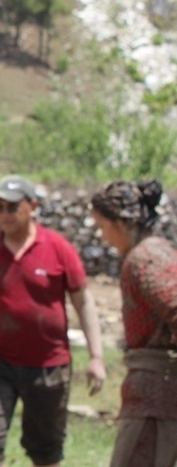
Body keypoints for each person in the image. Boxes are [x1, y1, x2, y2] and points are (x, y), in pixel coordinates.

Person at [0, 175, 106, 467]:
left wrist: (97, 356)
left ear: (32, 206)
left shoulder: (58, 248)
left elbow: (83, 301)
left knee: (46, 448)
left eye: (12, 207)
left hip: (48, 365)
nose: (4, 214)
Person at [90, 179, 177, 467]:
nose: (103, 236)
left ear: (121, 222)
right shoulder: (156, 251)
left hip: (157, 397)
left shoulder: (144, 258)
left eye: (103, 227)